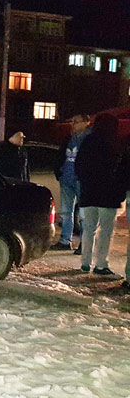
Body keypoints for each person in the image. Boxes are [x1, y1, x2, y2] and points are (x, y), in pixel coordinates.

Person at [75, 113, 125, 276]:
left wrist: (85, 184)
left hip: (89, 194)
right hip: (108, 196)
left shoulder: (88, 142)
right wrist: (119, 192)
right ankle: (101, 264)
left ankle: (85, 262)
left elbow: (79, 167)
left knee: (89, 229)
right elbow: (119, 172)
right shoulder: (114, 144)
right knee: (105, 231)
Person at [51, 115, 90, 251]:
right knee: (66, 212)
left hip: (81, 181)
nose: (73, 124)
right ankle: (65, 240)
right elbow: (60, 155)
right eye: (72, 121)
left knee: (84, 214)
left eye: (76, 122)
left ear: (86, 123)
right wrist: (59, 172)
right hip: (66, 179)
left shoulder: (90, 140)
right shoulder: (68, 139)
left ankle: (84, 244)